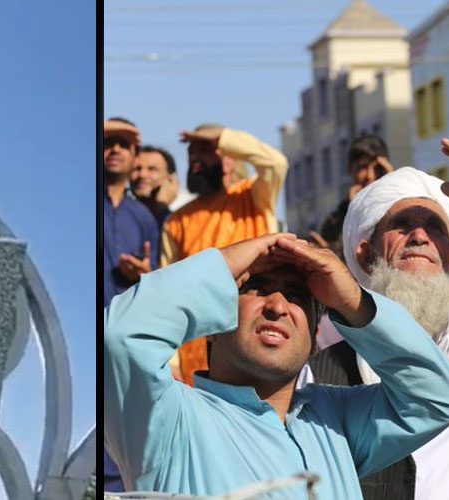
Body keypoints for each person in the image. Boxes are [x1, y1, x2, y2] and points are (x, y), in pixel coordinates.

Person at [104, 232, 449, 498]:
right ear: (210, 326)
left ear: (312, 338)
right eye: (257, 289)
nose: (277, 306)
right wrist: (228, 260)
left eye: (296, 297)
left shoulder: (333, 421)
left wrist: (353, 301)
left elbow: (437, 398)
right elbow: (120, 338)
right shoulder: (166, 420)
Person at [309, 129, 449, 499]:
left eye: (435, 227)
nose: (420, 236)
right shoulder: (325, 374)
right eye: (401, 226)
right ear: (367, 255)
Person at [162, 123, 288, 385]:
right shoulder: (177, 221)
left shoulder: (254, 197)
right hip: (195, 355)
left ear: (230, 160)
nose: (195, 158)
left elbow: (276, 163)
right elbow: (169, 295)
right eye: (192, 152)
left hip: (256, 336)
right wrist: (170, 361)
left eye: (206, 150)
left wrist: (222, 137)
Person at [102, 116, 160, 493]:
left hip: (127, 339)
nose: (115, 150)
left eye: (124, 143)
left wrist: (145, 272)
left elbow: (157, 278)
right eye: (108, 142)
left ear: (134, 153)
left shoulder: (144, 217)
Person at [313, 134, 393, 256]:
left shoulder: (400, 206)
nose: (370, 176)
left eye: (377, 168)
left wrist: (392, 182)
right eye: (363, 168)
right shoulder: (336, 220)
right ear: (350, 169)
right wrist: (354, 211)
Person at [130, 144, 179, 232]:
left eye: (152, 169)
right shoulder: (115, 217)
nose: (142, 175)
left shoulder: (178, 224)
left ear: (171, 179)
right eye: (137, 169)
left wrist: (161, 207)